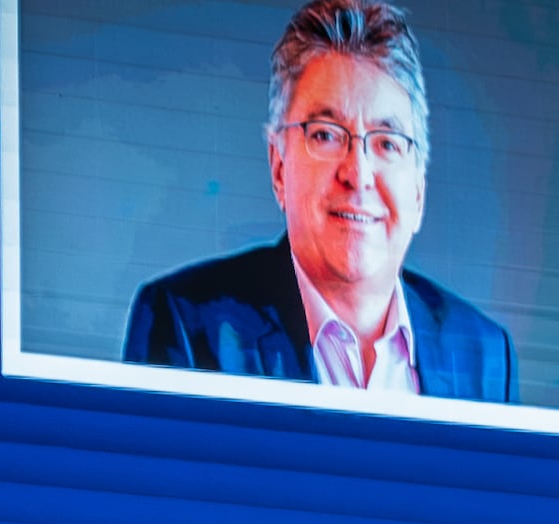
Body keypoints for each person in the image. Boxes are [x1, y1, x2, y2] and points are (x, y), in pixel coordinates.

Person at [121, 1, 513, 403]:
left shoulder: (484, 355)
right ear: (278, 167)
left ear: (417, 190)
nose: (358, 173)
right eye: (326, 134)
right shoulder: (188, 326)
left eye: (387, 143)